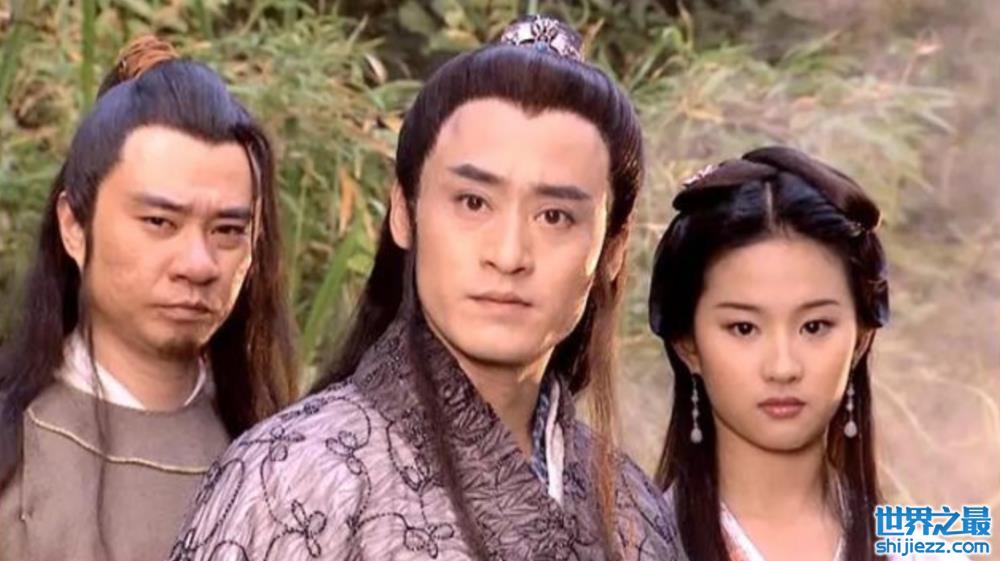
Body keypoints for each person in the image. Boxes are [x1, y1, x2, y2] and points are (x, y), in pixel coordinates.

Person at [171, 15, 682, 561]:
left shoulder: (636, 511)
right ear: (404, 211)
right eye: (473, 202)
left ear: (613, 248)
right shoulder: (291, 476)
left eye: (555, 216)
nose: (509, 254)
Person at [0, 36, 298, 561]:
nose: (199, 264)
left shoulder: (288, 461)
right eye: (160, 222)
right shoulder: (15, 453)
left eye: (228, 231)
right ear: (74, 226)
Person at [648, 147, 967, 561]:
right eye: (743, 328)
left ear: (860, 339)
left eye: (814, 327)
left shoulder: (931, 545)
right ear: (688, 343)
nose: (783, 367)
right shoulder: (633, 545)